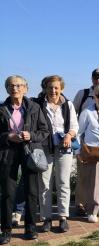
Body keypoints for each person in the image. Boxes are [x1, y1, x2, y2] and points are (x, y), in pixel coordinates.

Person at [0, 75, 49, 243]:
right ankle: (6, 230)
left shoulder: (34, 107)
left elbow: (44, 131)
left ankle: (31, 227)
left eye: (19, 85)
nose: (15, 88)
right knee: (7, 192)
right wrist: (9, 136)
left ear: (26, 88)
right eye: (11, 86)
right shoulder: (1, 108)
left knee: (31, 191)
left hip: (30, 152)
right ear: (7, 89)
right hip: (8, 152)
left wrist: (31, 135)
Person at [33, 75, 78, 233]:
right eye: (50, 87)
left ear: (62, 89)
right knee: (44, 184)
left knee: (63, 183)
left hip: (64, 147)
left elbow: (74, 125)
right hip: (44, 148)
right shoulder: (38, 104)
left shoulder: (68, 105)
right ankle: (46, 218)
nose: (53, 90)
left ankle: (63, 217)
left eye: (56, 87)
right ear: (45, 88)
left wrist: (69, 135)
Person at [72, 68, 99, 216]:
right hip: (92, 149)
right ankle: (92, 210)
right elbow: (77, 132)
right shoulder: (86, 110)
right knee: (92, 181)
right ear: (94, 97)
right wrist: (78, 151)